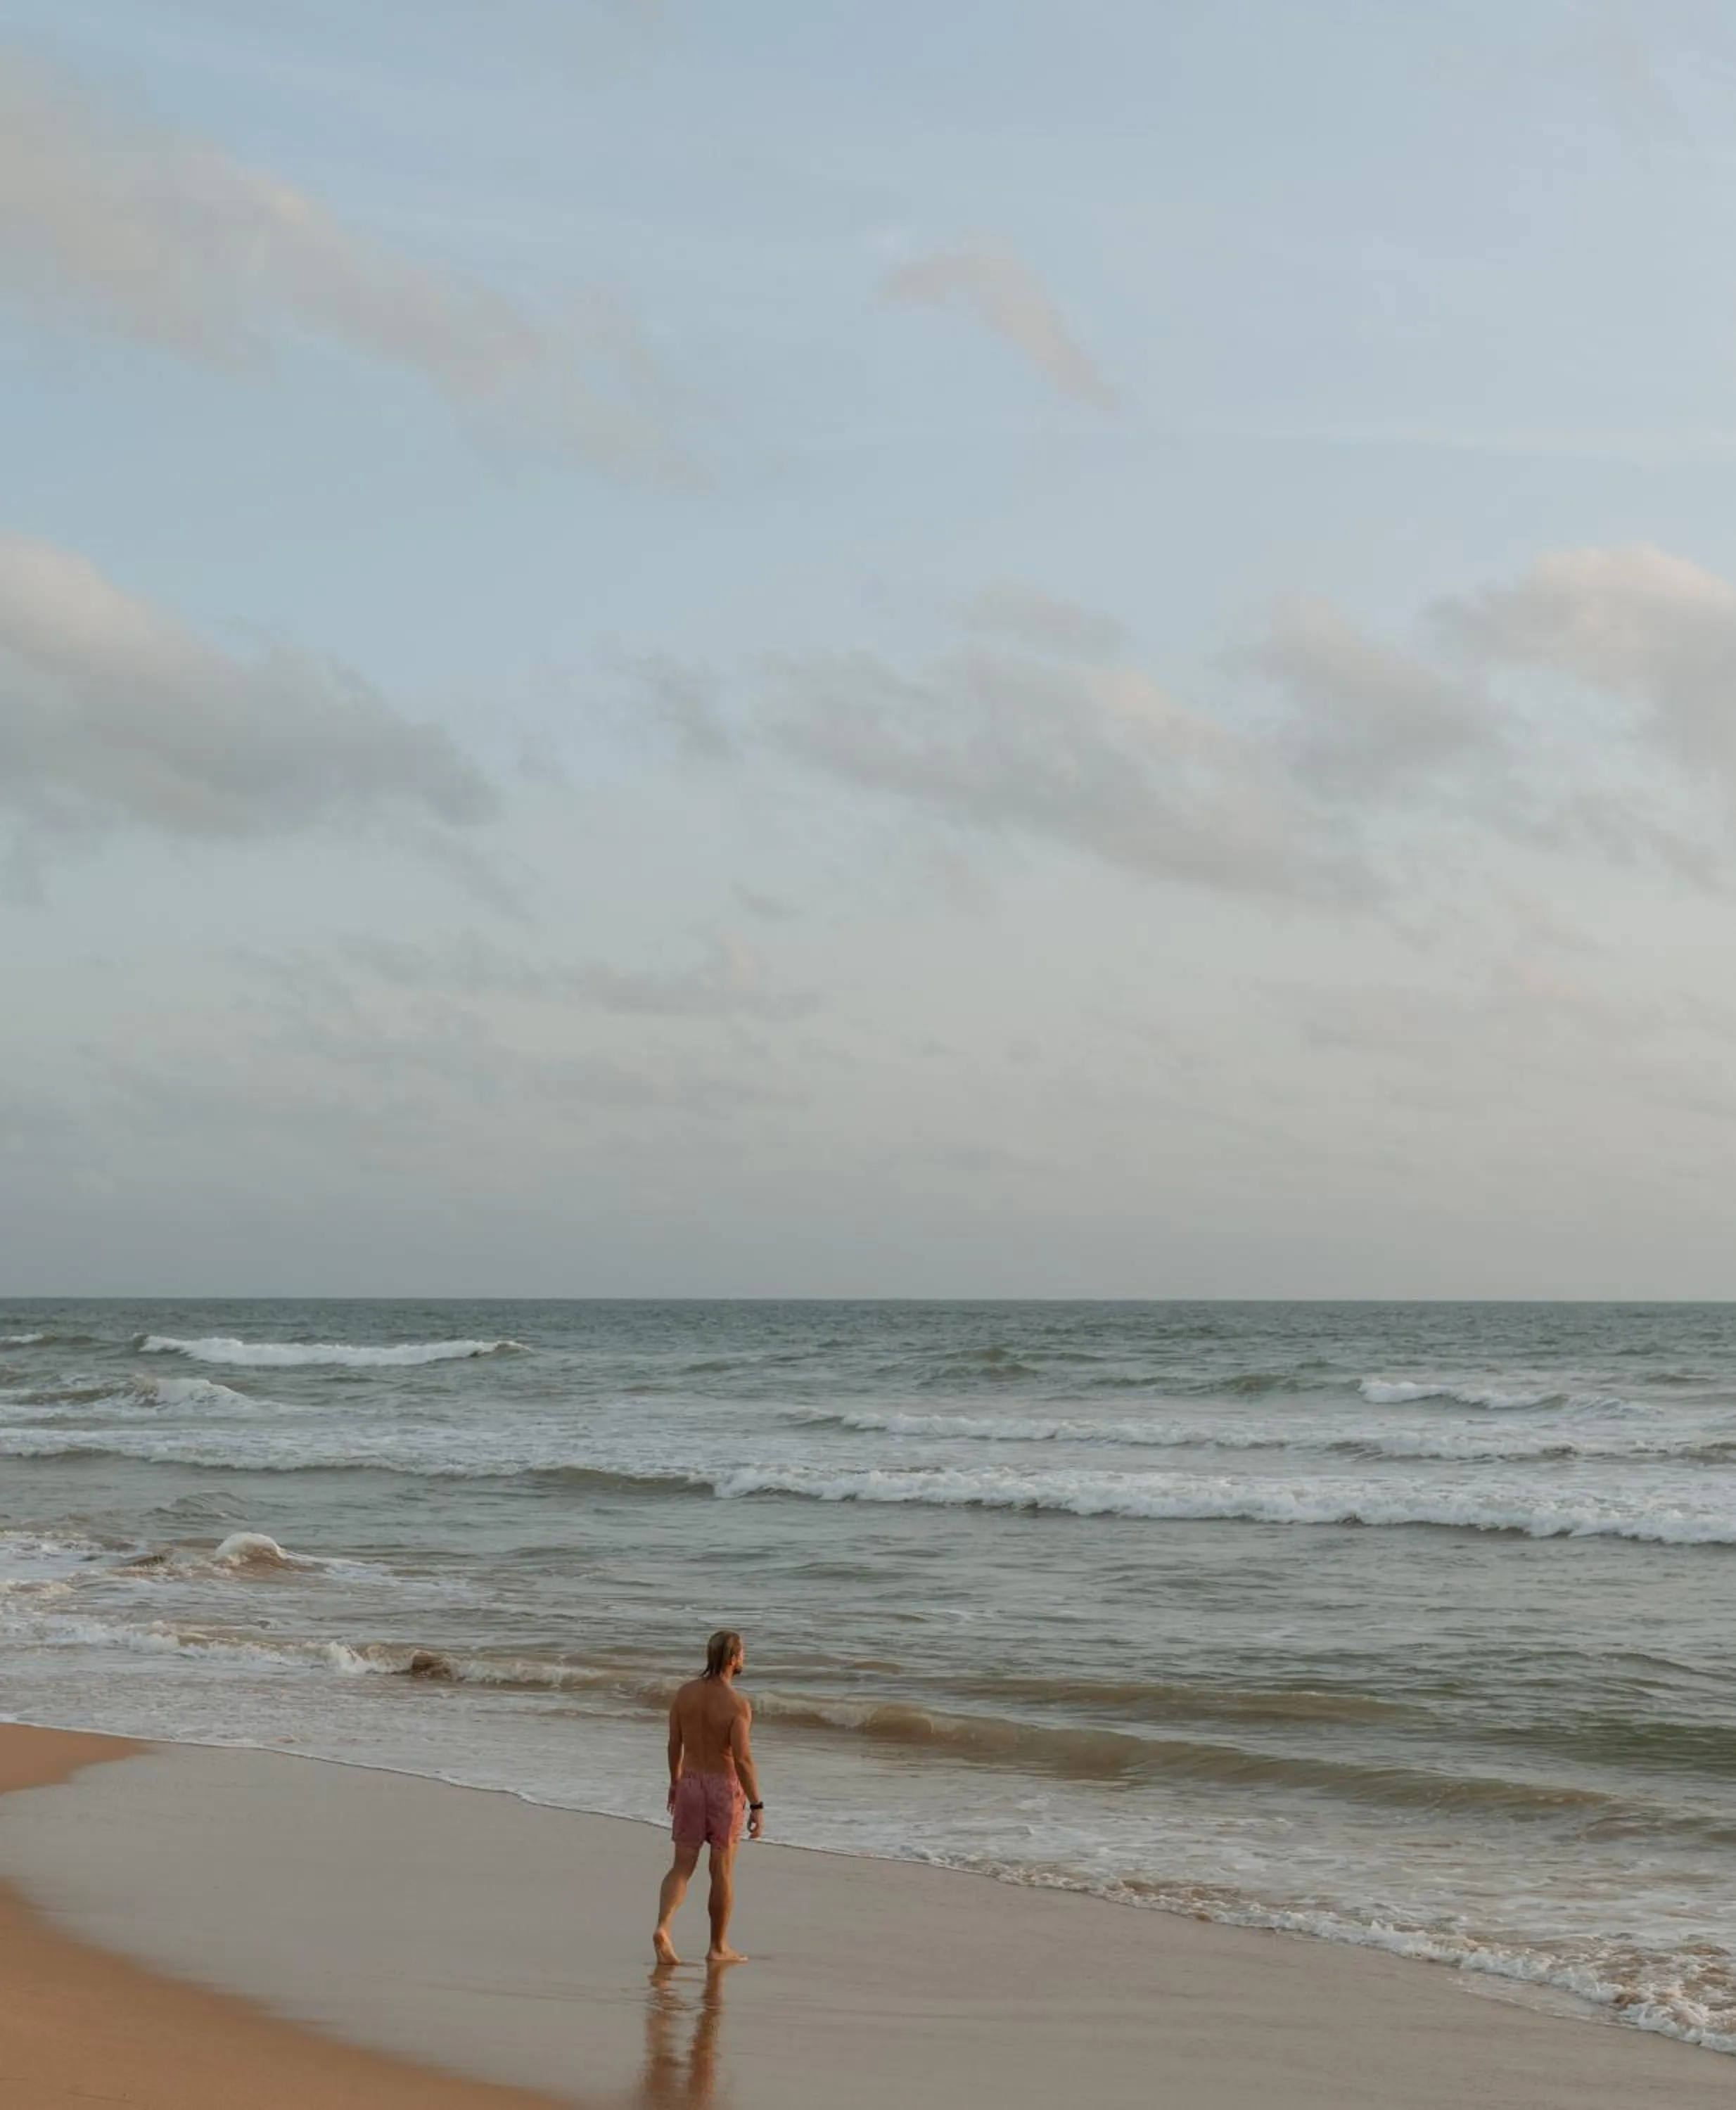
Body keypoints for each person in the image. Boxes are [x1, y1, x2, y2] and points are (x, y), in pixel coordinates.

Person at [652, 1629, 764, 1966]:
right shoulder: (737, 1704)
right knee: (722, 1870)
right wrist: (757, 1805)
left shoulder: (685, 1694)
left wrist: (675, 1780)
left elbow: (674, 1743)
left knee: (682, 1866)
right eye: (742, 1653)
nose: (744, 1659)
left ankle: (663, 1928)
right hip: (722, 1788)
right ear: (733, 1659)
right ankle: (718, 1947)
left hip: (689, 1783)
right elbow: (742, 1759)